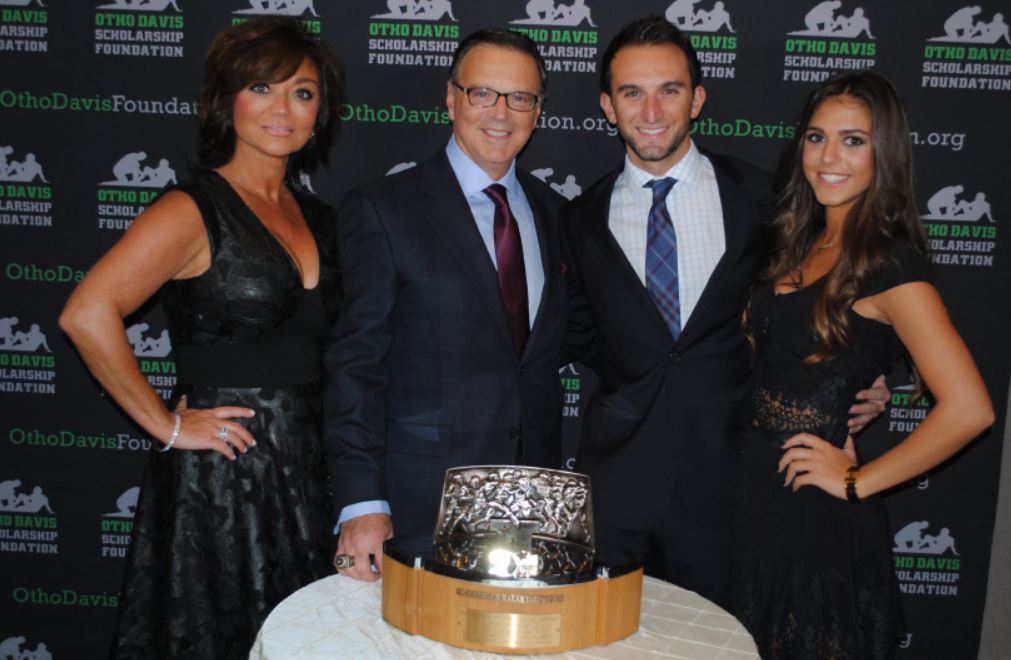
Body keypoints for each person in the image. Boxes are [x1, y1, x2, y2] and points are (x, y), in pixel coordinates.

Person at [560, 16, 887, 608]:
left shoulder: (769, 201)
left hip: (733, 486)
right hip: (615, 492)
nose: (652, 111)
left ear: (699, 99)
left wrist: (868, 377)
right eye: (632, 92)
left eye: (670, 90)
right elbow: (580, 335)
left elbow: (834, 298)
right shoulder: (579, 220)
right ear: (608, 106)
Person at [59, 17, 344, 658]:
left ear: (319, 111)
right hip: (222, 480)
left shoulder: (323, 218)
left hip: (310, 475)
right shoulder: (192, 209)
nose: (282, 109)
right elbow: (87, 312)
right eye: (262, 87)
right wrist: (165, 425)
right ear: (226, 100)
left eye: (301, 92)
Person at [733, 69, 993, 659]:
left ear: (887, 152)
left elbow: (970, 408)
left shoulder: (891, 265)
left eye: (854, 140)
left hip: (814, 518)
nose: (829, 156)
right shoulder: (796, 241)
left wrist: (856, 482)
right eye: (817, 136)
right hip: (750, 498)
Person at [325, 28, 567, 580]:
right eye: (482, 93)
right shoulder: (383, 209)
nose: (501, 113)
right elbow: (356, 366)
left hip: (530, 510)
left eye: (521, 98)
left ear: (538, 110)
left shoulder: (555, 213)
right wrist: (363, 503)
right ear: (451, 97)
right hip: (417, 507)